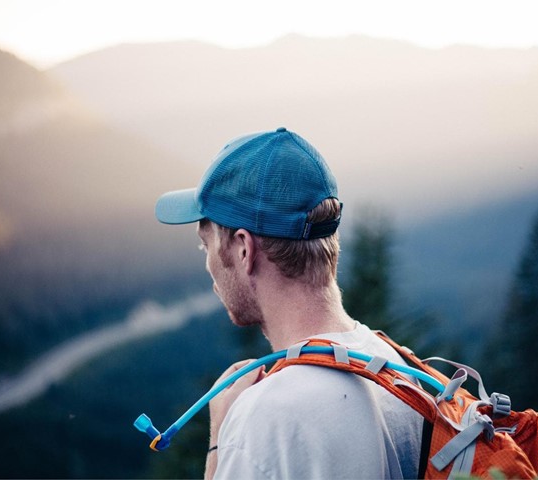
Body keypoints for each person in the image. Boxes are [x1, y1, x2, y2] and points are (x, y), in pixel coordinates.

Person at [155, 127, 423, 479]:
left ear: (242, 249)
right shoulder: (399, 367)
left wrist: (221, 438)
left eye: (206, 245)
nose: (207, 264)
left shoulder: (265, 421)